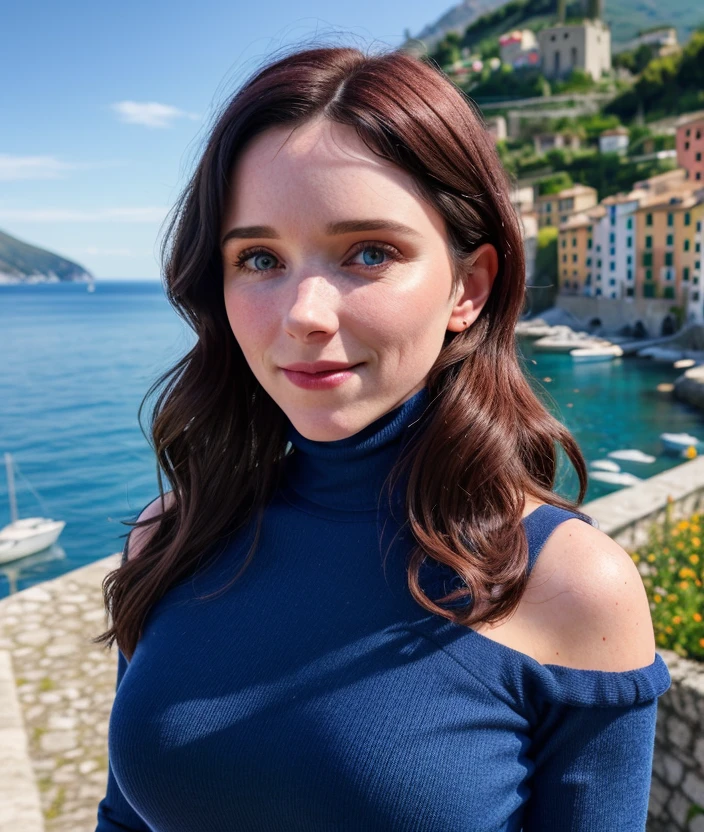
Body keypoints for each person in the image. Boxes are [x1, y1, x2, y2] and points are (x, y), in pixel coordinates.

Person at [94, 44, 670, 832]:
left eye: (369, 253)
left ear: (469, 287)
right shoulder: (173, 537)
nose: (304, 314)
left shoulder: (568, 586)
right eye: (259, 257)